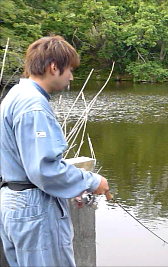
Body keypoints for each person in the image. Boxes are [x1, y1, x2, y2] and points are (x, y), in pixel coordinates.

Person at [0, 35, 109, 267]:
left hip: (14, 203)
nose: (71, 76)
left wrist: (71, 187)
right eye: (69, 69)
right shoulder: (33, 106)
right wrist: (91, 181)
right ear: (53, 67)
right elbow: (44, 169)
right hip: (35, 211)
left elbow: (26, 162)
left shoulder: (14, 96)